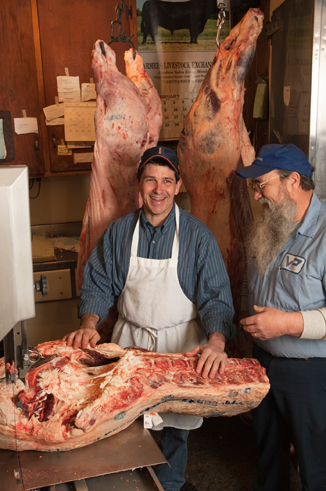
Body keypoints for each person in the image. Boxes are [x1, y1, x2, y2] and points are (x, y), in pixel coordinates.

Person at [64, 146, 236, 491]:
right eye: (151, 180)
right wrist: (88, 324)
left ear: (178, 185)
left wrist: (216, 343)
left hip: (180, 347)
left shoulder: (197, 236)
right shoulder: (118, 232)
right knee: (127, 429)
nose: (159, 189)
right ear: (138, 184)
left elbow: (216, 298)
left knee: (173, 432)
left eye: (167, 181)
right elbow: (99, 284)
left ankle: (170, 485)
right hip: (132, 346)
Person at [236, 143, 326, 491]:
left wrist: (287, 324)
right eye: (254, 187)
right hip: (263, 364)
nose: (257, 196)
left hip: (311, 374)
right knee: (268, 460)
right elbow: (250, 288)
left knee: (316, 467)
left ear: (293, 182)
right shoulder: (270, 226)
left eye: (262, 185)